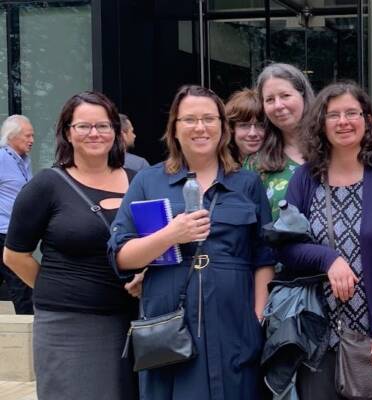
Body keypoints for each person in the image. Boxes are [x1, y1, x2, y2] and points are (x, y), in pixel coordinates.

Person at [109, 85, 275, 400]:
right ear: (174, 128)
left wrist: (256, 317)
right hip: (169, 324)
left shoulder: (247, 183)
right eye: (189, 119)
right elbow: (121, 256)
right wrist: (171, 235)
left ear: (223, 128)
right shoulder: (148, 181)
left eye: (209, 119)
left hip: (234, 326)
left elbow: (263, 257)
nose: (200, 127)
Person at [276, 82, 372, 399]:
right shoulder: (306, 177)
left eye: (352, 113)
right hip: (317, 334)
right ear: (320, 123)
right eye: (333, 114)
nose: (343, 121)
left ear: (367, 119)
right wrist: (328, 259)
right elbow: (285, 245)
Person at [3, 92, 140, 399]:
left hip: (135, 321)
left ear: (116, 132)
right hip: (68, 327)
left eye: (103, 126)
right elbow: (14, 255)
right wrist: (62, 287)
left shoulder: (140, 181)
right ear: (67, 131)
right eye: (83, 126)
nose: (94, 133)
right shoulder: (46, 186)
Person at [248, 63, 316, 220]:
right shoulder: (256, 163)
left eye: (285, 96)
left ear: (303, 95)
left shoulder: (334, 149)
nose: (278, 105)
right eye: (270, 99)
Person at [0, 115, 35, 315]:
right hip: (3, 232)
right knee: (21, 285)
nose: (32, 140)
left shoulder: (24, 161)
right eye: (27, 136)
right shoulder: (2, 158)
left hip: (16, 231)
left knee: (20, 284)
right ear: (11, 136)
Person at [225, 88, 266, 161]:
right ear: (231, 128)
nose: (252, 133)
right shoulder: (217, 165)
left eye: (260, 125)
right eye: (244, 125)